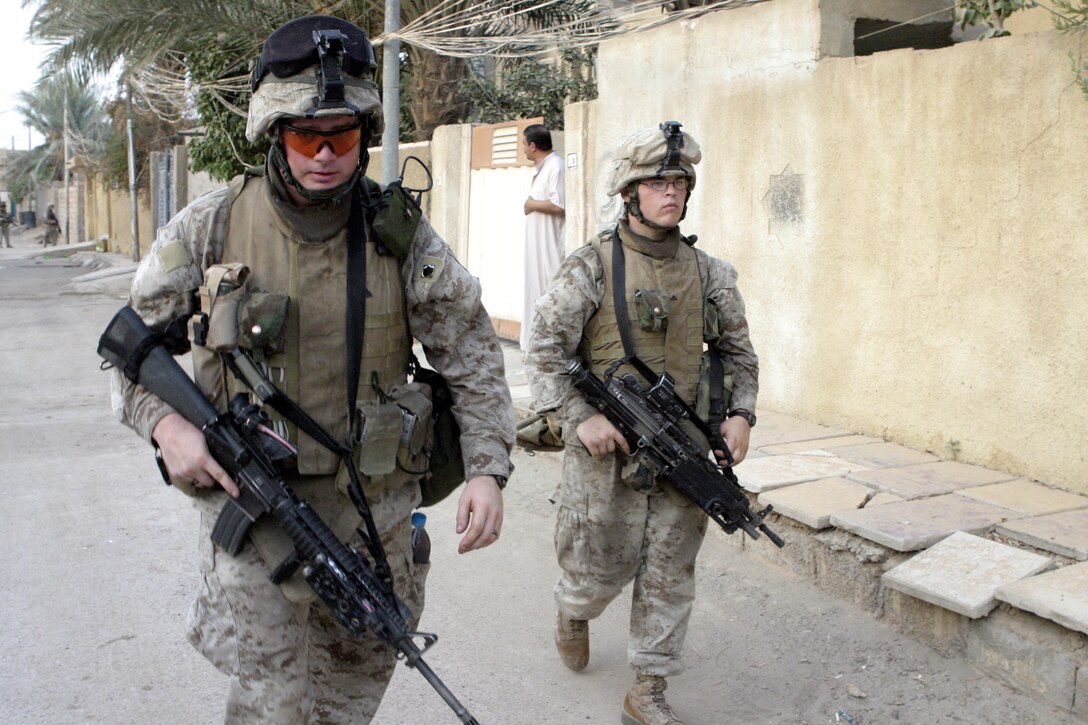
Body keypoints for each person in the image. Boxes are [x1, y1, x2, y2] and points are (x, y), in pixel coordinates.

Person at [109, 15, 514, 723]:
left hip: (375, 524)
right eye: (304, 135)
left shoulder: (400, 237)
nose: (324, 154)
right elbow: (128, 351)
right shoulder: (211, 226)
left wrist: (486, 467)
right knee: (271, 705)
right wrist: (165, 425)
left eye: (344, 135)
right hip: (254, 511)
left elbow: (472, 353)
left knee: (347, 702)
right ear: (274, 132)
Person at [525, 122, 759, 725]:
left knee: (670, 573)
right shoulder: (593, 266)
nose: (671, 193)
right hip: (606, 453)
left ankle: (648, 687)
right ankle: (574, 609)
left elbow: (739, 356)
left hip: (682, 451)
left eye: (679, 182)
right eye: (657, 183)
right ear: (628, 194)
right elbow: (545, 347)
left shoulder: (710, 274)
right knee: (593, 571)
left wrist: (739, 416)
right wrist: (580, 418)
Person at [520, 123, 565, 350]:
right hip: (536, 248)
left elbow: (559, 204)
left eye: (524, 144)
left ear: (533, 145)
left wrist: (531, 204)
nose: (523, 149)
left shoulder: (556, 166)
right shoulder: (543, 168)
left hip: (549, 248)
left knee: (549, 294)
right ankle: (535, 344)